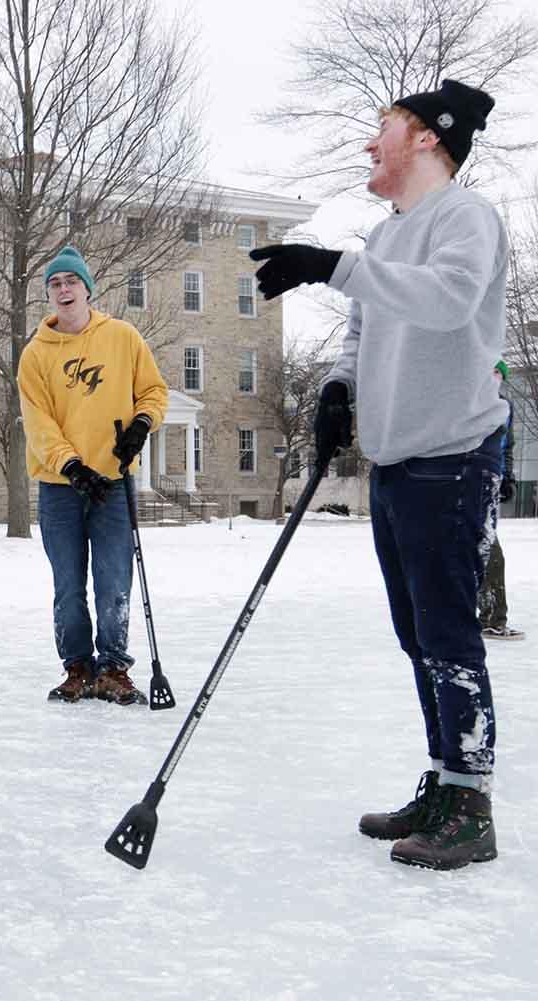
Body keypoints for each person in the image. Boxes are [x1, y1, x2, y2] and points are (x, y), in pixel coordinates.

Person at [250, 79, 505, 871]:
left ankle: (471, 804)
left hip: (453, 456)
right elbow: (363, 328)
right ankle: (442, 777)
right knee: (417, 634)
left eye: (383, 127)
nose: (371, 142)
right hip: (398, 461)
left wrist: (332, 263)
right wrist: (336, 388)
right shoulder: (389, 231)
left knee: (449, 634)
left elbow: (447, 301)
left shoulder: (465, 219)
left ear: (428, 137)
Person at [17, 245, 168, 706]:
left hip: (115, 483)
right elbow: (39, 422)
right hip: (61, 488)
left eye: (71, 282)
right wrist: (72, 466)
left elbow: (154, 392)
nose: (64, 290)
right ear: (50, 295)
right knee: (68, 583)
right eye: (55, 284)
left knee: (113, 579)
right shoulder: (36, 355)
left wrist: (142, 424)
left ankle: (114, 669)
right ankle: (78, 667)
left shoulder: (122, 338)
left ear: (87, 289)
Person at [480, 360, 523, 641]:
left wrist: (507, 476)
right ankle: (492, 620)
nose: (495, 377)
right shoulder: (471, 403)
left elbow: (507, 446)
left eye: (500, 373)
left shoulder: (505, 407)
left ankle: (491, 618)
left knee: (486, 550)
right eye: (491, 372)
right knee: (487, 551)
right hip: (470, 482)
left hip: (491, 482)